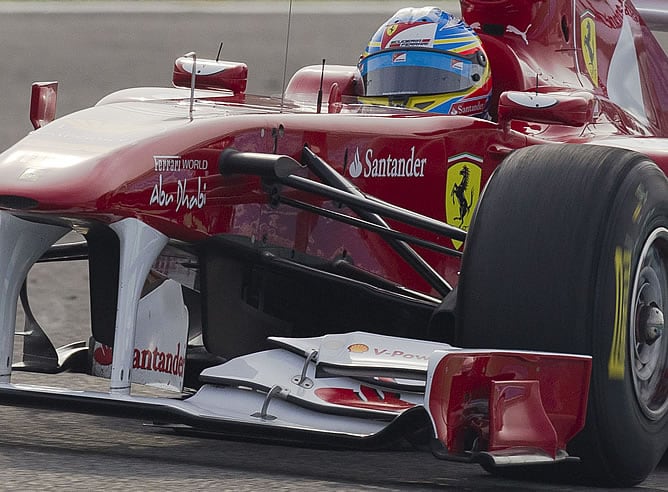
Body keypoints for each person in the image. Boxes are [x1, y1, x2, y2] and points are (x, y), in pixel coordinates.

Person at [358, 6, 492, 118]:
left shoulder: (503, 146)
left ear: (476, 73)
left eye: (434, 78)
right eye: (388, 79)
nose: (400, 105)